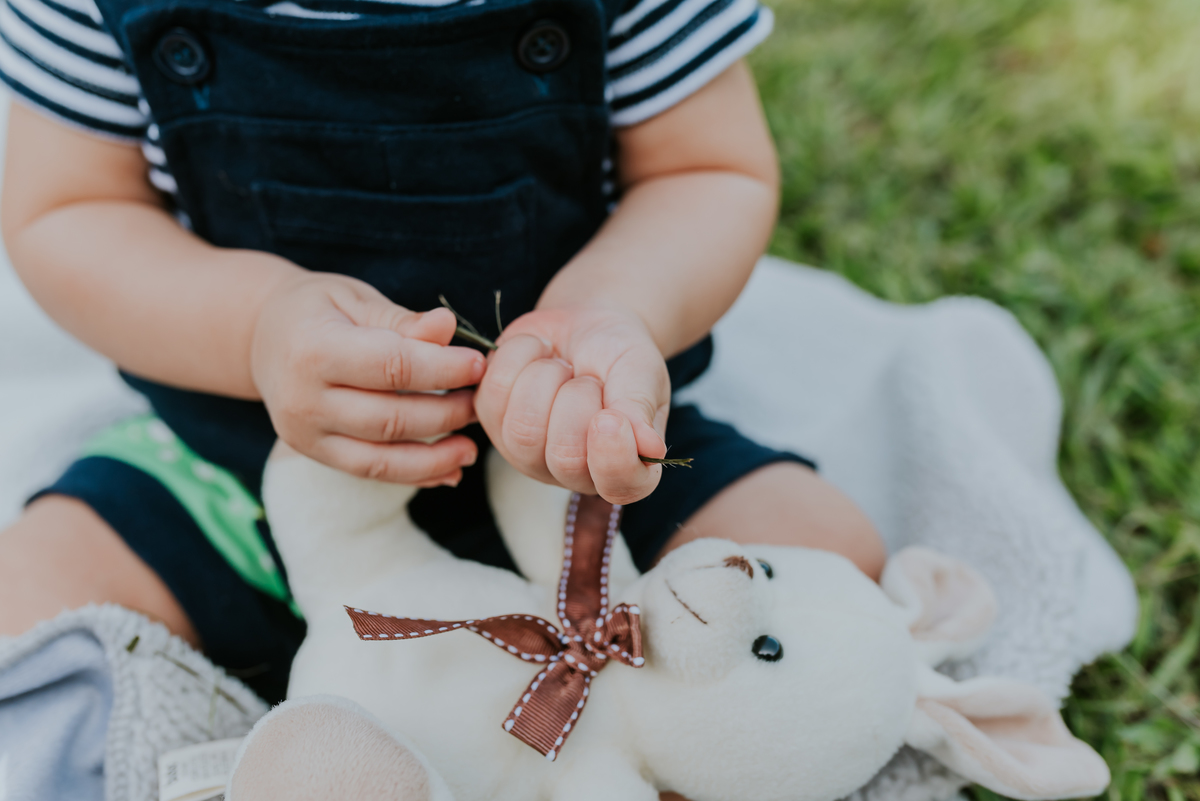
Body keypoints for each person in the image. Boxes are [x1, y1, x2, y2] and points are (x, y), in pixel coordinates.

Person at [0, 0, 884, 703]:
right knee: (31, 613)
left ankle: (636, 737)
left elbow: (706, 172)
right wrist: (257, 325)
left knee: (818, 562)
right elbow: (67, 214)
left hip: (584, 474)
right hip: (237, 475)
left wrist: (611, 306)